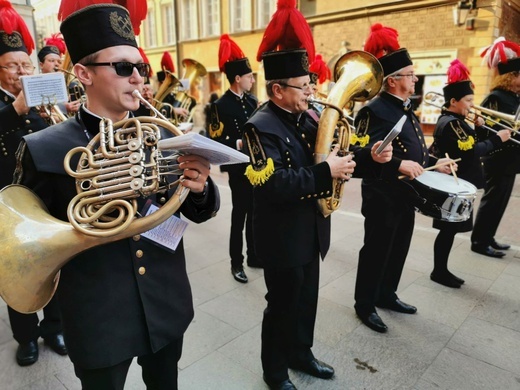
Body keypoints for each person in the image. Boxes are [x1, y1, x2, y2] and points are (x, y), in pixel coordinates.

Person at [13, 3, 219, 388]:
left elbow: (198, 210)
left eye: (141, 68)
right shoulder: (43, 148)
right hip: (97, 313)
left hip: (164, 298)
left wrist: (200, 186)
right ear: (83, 73)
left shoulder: (163, 136)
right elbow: (24, 233)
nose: (138, 79)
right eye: (123, 68)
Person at [243, 5, 391, 389]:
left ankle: (301, 353)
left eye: (310, 83)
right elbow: (273, 184)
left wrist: (369, 159)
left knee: (306, 300)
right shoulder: (259, 127)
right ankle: (274, 371)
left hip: (311, 229)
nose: (312, 90)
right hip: (281, 235)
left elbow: (336, 158)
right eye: (303, 85)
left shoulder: (309, 117)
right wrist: (326, 172)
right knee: (282, 306)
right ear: (277, 90)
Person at [353, 23, 453, 333]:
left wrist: (437, 162)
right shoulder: (373, 110)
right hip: (382, 194)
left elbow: (414, 149)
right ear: (394, 81)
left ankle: (386, 293)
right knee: (377, 250)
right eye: (410, 74)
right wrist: (398, 165)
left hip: (405, 194)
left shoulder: (405, 107)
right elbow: (361, 155)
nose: (415, 79)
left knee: (399, 247)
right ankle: (365, 304)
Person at [0, 0, 67, 366]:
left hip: (43, 199)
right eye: (13, 66)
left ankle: (54, 327)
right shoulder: (10, 105)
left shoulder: (41, 101)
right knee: (17, 270)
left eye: (25, 64)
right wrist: (17, 110)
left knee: (52, 263)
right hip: (8, 205)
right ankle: (25, 337)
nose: (22, 70)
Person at [428, 59, 510, 287]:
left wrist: (482, 128)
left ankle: (441, 269)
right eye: (468, 101)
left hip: (459, 183)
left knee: (451, 230)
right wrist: (496, 138)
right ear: (453, 101)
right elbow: (472, 153)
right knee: (448, 230)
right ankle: (439, 271)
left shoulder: (459, 121)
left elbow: (472, 144)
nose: (473, 105)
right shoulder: (453, 123)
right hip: (454, 184)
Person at [209, 34, 260, 283]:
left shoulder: (252, 101)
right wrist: (239, 143)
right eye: (249, 76)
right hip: (238, 168)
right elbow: (215, 141)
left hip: (256, 167)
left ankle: (253, 255)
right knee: (239, 215)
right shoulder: (220, 105)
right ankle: (236, 262)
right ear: (238, 78)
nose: (253, 80)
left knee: (255, 212)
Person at [470, 37, 520, 258]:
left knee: (501, 201)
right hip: (497, 158)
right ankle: (479, 241)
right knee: (492, 200)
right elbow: (484, 127)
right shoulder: (495, 97)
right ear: (512, 77)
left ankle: (489, 236)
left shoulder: (515, 98)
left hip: (511, 160)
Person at [37, 40, 81, 116]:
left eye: (59, 62)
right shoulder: (36, 85)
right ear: (41, 65)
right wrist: (64, 108)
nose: (57, 64)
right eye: (52, 61)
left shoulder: (64, 84)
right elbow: (40, 109)